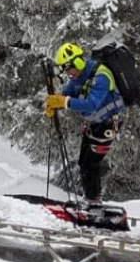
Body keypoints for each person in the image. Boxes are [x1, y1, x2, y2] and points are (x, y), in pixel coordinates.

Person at [43, 42, 126, 207]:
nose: (68, 74)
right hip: (95, 124)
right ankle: (90, 199)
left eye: (68, 69)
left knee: (91, 163)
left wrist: (64, 102)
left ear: (78, 63)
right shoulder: (79, 76)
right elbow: (67, 93)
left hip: (111, 124)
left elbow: (91, 104)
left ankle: (94, 201)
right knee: (83, 162)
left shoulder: (102, 76)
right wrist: (53, 103)